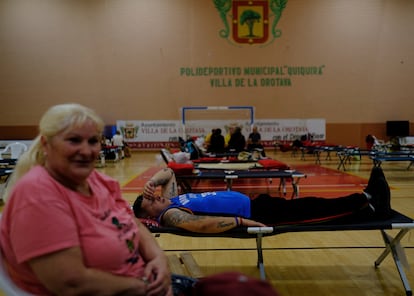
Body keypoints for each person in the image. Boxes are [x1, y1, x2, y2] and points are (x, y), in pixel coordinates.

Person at [0, 104, 173, 295]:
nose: (86, 150)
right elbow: (72, 284)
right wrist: (146, 287)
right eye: (74, 140)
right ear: (45, 144)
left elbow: (135, 225)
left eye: (93, 141)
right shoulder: (37, 195)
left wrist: (159, 259)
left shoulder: (96, 180)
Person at [133, 167, 391, 233]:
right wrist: (244, 223)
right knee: (313, 210)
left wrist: (152, 183)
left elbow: (169, 173)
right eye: (151, 202)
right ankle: (367, 203)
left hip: (256, 202)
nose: (156, 198)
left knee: (310, 202)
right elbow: (200, 224)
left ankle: (365, 199)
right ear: (151, 216)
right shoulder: (169, 214)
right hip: (258, 215)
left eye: (153, 196)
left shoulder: (170, 199)